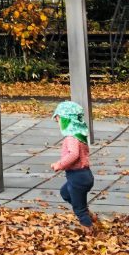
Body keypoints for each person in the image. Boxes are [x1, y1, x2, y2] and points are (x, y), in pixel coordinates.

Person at [51, 100, 97, 235]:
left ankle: (89, 229)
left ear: (66, 120)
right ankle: (87, 213)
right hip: (84, 175)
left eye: (58, 119)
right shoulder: (79, 135)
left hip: (78, 177)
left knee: (78, 208)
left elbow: (74, 155)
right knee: (65, 193)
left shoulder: (71, 138)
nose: (58, 123)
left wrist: (60, 164)